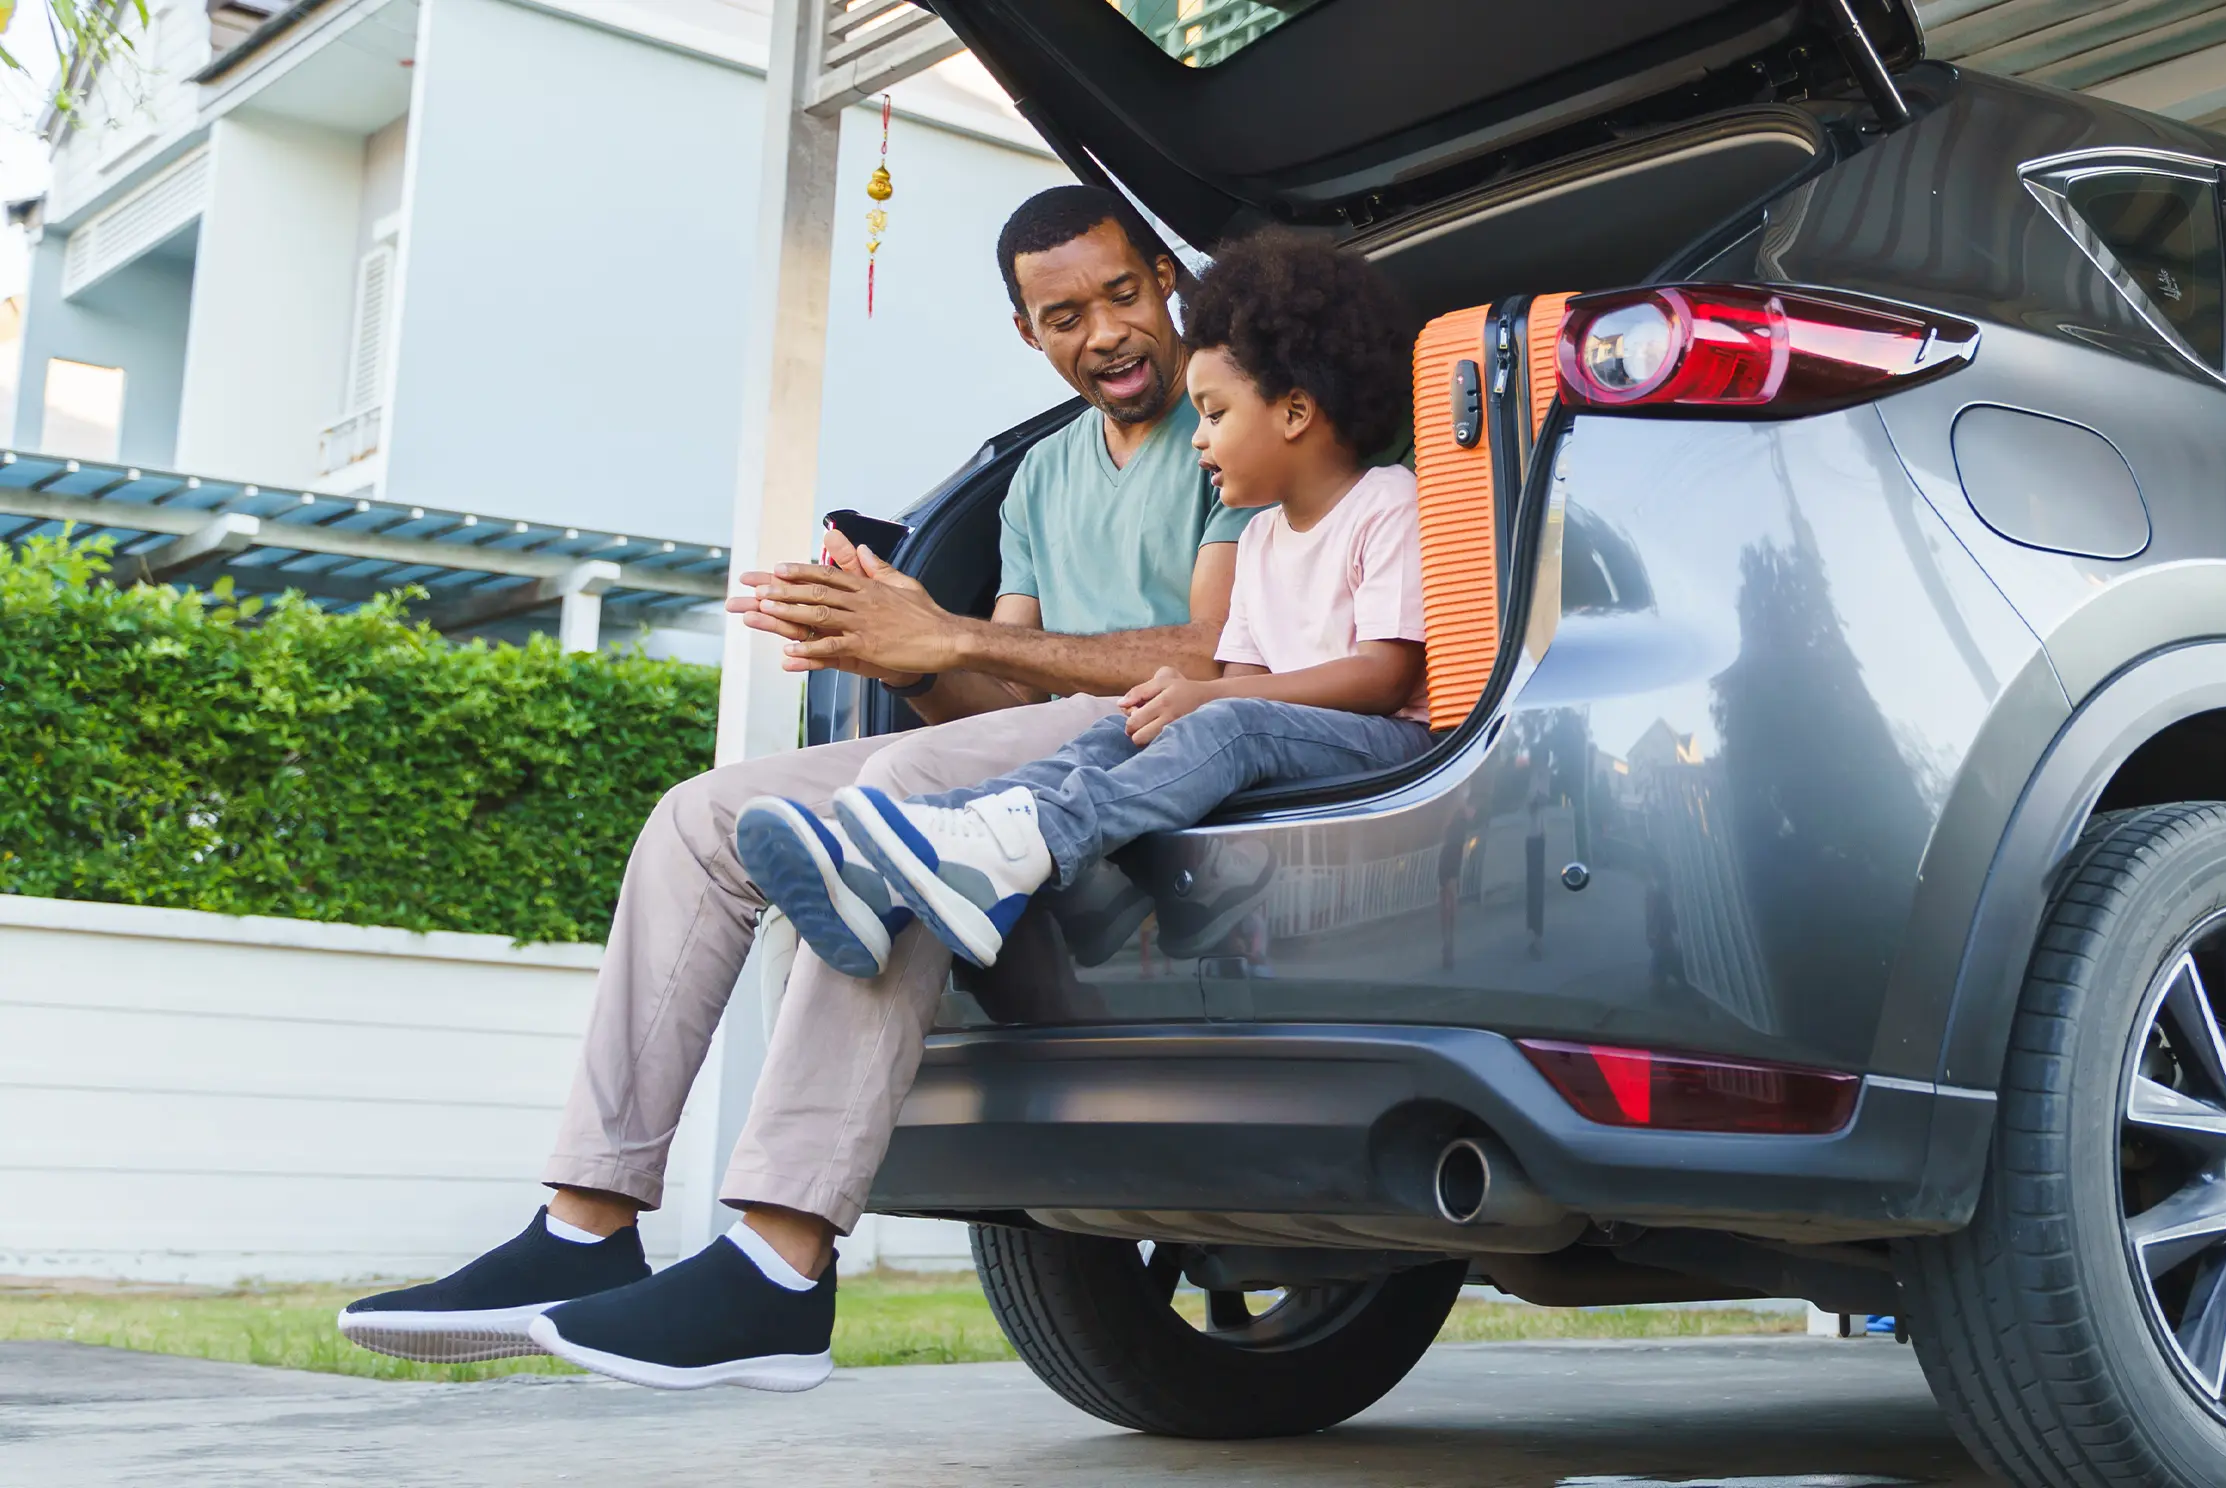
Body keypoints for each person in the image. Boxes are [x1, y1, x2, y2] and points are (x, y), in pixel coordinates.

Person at [333, 184, 1254, 1392]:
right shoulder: (1038, 478)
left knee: (895, 792)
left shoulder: (1231, 422)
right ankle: (585, 1222)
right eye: (1064, 316)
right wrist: (907, 653)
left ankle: (780, 1256)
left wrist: (955, 635)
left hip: (1164, 734)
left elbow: (1214, 657)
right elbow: (997, 710)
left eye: (1123, 295)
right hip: (1039, 751)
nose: (1105, 334)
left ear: (1166, 280)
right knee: (698, 816)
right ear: (1025, 331)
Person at [746, 234, 1427, 981]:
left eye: (1214, 414)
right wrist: (1182, 700)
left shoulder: (1388, 502)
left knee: (1227, 723)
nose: (1197, 439)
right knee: (1123, 726)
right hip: (1276, 736)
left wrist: (1216, 700)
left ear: (1294, 412)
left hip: (1382, 742)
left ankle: (1030, 847)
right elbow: (1242, 679)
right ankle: (925, 852)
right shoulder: (1262, 536)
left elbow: (1384, 678)